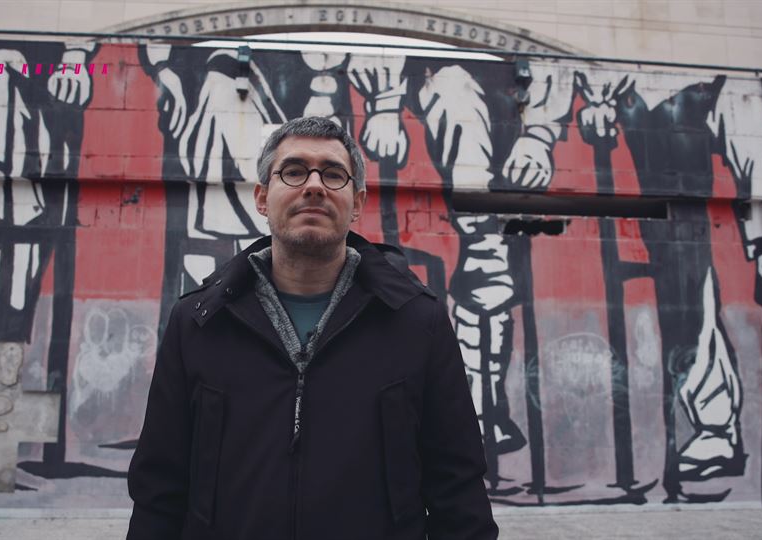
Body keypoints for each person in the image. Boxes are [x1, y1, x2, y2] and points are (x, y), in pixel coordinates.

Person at [127, 116, 498, 539]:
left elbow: (458, 489)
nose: (315, 186)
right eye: (294, 171)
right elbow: (159, 490)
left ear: (356, 203)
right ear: (262, 197)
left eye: (334, 174)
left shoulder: (417, 322)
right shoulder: (198, 322)